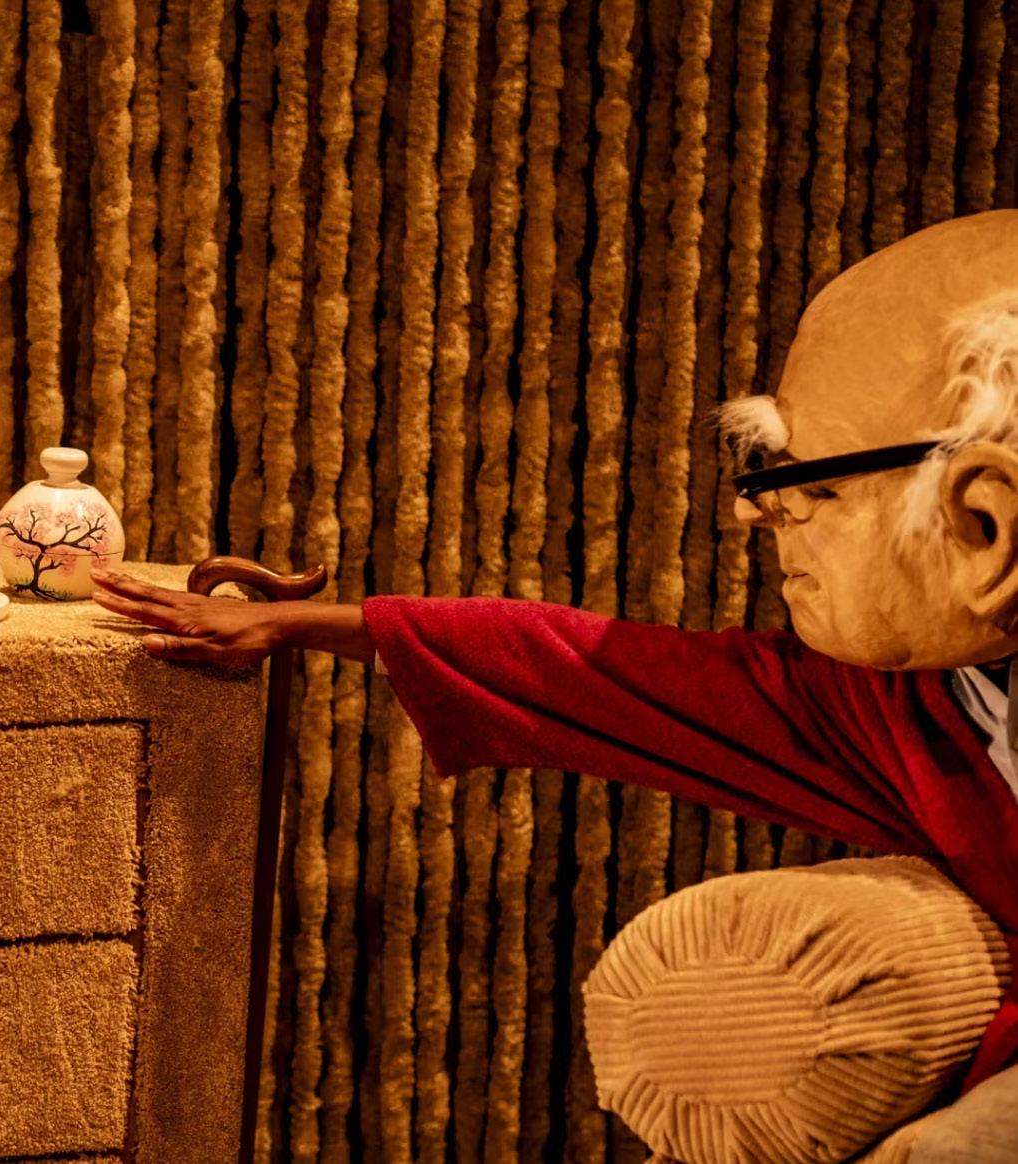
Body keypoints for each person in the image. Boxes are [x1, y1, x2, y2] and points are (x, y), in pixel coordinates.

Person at [88, 210, 1018, 1116]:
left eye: (805, 484)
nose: (751, 512)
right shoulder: (910, 705)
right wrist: (298, 625)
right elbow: (596, 673)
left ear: (985, 527)